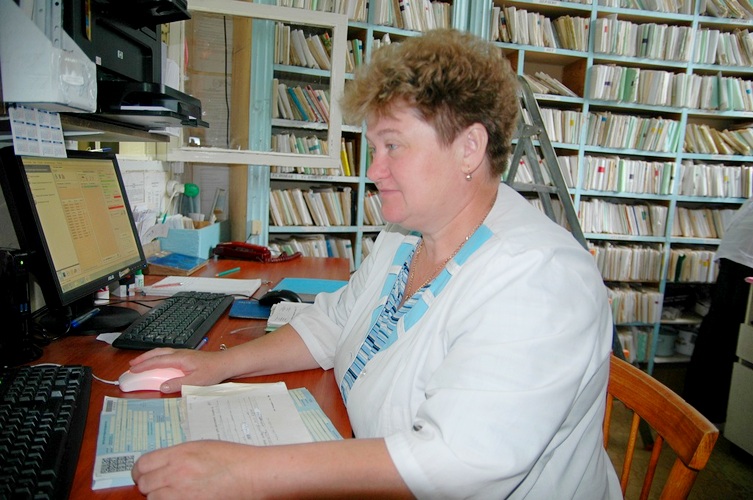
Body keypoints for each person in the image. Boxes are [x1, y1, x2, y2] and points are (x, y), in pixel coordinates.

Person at [129, 29, 621, 499]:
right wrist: (218, 365)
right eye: (374, 147)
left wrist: (247, 472)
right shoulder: (405, 237)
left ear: (469, 148)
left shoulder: (540, 278)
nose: (373, 170)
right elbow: (333, 324)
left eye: (393, 146)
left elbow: (458, 463)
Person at [683, 197, 753, 424]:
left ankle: (697, 402)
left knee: (718, 331)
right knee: (729, 337)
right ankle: (712, 409)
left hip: (734, 255)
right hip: (744, 263)